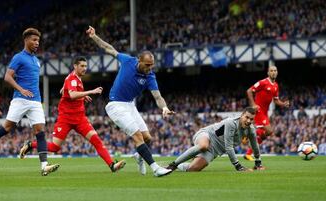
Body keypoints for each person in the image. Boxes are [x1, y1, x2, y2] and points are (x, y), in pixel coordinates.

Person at [86, 26, 175, 177]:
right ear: (139, 61)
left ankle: (138, 156)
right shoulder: (127, 61)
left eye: (152, 65)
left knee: (147, 138)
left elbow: (158, 97)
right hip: (115, 106)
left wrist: (164, 108)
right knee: (138, 137)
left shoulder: (150, 77)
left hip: (130, 105)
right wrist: (94, 37)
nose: (150, 68)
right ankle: (156, 169)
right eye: (147, 65)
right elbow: (109, 48)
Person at [0, 28, 59, 176]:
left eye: (38, 40)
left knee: (40, 132)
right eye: (34, 40)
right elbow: (7, 77)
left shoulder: (36, 60)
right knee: (6, 128)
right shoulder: (18, 57)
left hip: (36, 101)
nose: (37, 43)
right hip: (20, 99)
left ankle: (44, 166)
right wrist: (21, 89)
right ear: (26, 40)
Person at [19, 56, 126, 172]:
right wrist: (91, 91)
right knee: (55, 147)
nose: (85, 68)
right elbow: (72, 95)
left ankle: (112, 165)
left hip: (80, 118)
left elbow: (64, 91)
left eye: (86, 66)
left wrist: (82, 96)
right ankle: (30, 145)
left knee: (96, 140)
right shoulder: (72, 78)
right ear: (75, 66)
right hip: (66, 118)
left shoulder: (74, 78)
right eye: (82, 66)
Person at [166, 107, 265, 172]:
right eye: (246, 117)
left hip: (215, 150)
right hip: (207, 135)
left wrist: (258, 162)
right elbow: (229, 147)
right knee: (204, 146)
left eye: (251, 119)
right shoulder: (232, 123)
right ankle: (174, 164)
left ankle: (182, 165)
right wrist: (238, 166)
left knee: (193, 169)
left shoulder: (251, 130)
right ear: (241, 115)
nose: (248, 121)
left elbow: (255, 145)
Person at [244, 65, 290, 161]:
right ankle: (247, 136)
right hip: (258, 110)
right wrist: (253, 104)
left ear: (277, 72)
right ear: (268, 73)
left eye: (275, 70)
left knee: (264, 135)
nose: (273, 72)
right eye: (271, 71)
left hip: (265, 112)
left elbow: (276, 100)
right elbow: (249, 91)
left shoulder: (276, 86)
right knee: (269, 131)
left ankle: (248, 152)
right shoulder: (263, 82)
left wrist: (283, 104)